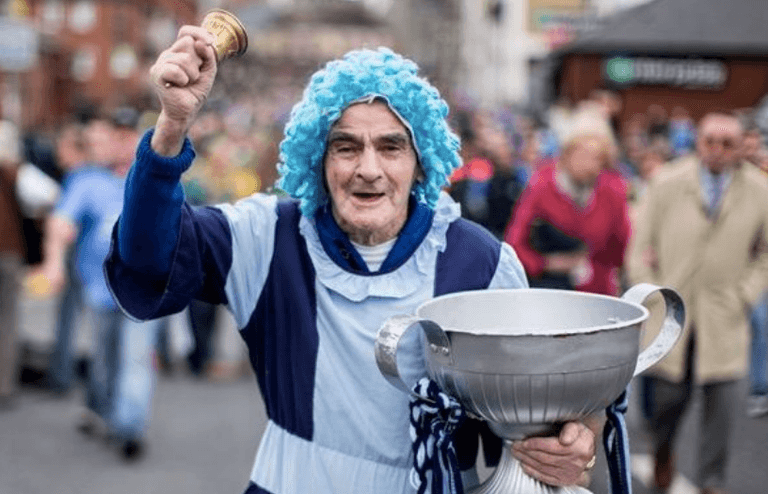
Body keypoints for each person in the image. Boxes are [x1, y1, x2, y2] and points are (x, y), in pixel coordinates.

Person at [104, 27, 600, 494]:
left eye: (391, 147)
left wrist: (572, 442)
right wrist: (171, 128)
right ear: (318, 160)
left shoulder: (480, 263)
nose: (368, 169)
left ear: (420, 161)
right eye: (345, 147)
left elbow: (541, 401)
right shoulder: (268, 237)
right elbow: (148, 257)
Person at [626, 110, 768, 494]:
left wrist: (746, 293)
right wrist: (651, 293)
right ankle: (662, 452)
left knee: (722, 406)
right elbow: (638, 247)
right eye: (710, 141)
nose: (718, 150)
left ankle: (711, 483)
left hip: (724, 315)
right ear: (697, 142)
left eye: (728, 143)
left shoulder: (759, 190)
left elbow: (765, 254)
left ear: (740, 147)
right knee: (667, 403)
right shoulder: (667, 182)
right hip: (673, 311)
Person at [32, 109, 163, 461]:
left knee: (135, 359)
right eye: (114, 136)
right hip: (101, 290)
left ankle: (129, 428)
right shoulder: (87, 180)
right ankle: (102, 410)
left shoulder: (151, 179)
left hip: (144, 290)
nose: (122, 142)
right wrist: (53, 262)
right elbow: (61, 223)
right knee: (105, 360)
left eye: (127, 135)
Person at [505, 109, 631, 295]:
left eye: (599, 158)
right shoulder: (542, 184)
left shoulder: (612, 190)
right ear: (567, 152)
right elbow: (515, 243)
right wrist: (546, 264)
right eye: (585, 155)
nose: (592, 166)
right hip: (551, 292)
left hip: (598, 293)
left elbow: (620, 248)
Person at [46, 121, 91, 395]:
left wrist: (53, 262)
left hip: (77, 255)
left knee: (69, 317)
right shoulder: (88, 176)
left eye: (62, 147)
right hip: (85, 256)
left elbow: (63, 222)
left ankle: (62, 375)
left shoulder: (78, 178)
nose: (57, 153)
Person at [0, 120, 26, 410]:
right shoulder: (14, 171)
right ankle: (4, 384)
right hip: (8, 250)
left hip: (8, 251)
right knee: (7, 318)